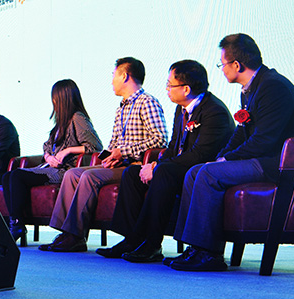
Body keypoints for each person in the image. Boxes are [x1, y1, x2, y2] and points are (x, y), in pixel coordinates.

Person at [169, 33, 294, 272]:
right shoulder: (251, 89)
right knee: (197, 171)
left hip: (281, 164)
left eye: (222, 64)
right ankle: (194, 248)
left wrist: (226, 160)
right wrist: (220, 157)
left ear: (236, 65)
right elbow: (241, 132)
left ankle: (209, 254)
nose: (221, 70)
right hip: (264, 158)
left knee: (208, 174)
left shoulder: (273, 86)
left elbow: (263, 140)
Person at [97, 60, 233, 263]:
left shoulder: (214, 111)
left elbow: (200, 155)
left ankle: (152, 244)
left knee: (164, 172)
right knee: (133, 173)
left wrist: (158, 167)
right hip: (181, 165)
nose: (167, 89)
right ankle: (132, 239)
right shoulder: (181, 109)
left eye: (170, 85)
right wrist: (152, 164)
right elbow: (172, 147)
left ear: (186, 89)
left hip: (202, 169)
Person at [41, 58, 167, 253]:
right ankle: (66, 232)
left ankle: (75, 235)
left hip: (134, 164)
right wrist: (110, 156)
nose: (112, 81)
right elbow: (112, 144)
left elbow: (160, 140)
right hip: (118, 163)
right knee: (72, 173)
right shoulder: (121, 107)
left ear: (125, 76)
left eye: (114, 75)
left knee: (89, 176)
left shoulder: (147, 102)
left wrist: (122, 152)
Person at [2, 78, 102, 243]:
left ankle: (18, 225)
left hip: (64, 170)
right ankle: (16, 223)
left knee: (17, 176)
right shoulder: (60, 122)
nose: (53, 101)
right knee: (8, 176)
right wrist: (48, 156)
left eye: (55, 97)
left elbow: (95, 146)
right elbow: (47, 146)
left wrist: (68, 150)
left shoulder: (78, 118)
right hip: (49, 167)